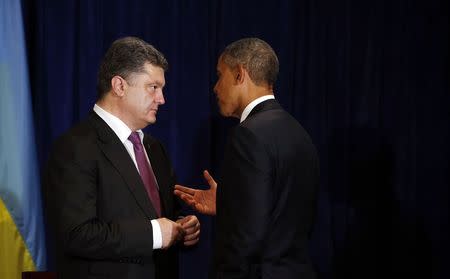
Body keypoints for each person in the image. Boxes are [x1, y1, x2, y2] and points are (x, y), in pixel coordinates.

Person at [43, 36, 200, 279]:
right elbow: (76, 234)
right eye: (153, 87)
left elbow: (162, 217)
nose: (162, 99)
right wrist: (154, 234)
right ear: (119, 86)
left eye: (162, 89)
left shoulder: (154, 148)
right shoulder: (75, 147)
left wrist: (182, 227)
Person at [174, 38, 319, 279]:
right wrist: (230, 204)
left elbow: (247, 240)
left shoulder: (248, 135)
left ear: (240, 75)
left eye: (220, 76)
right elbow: (279, 215)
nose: (216, 87)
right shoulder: (300, 133)